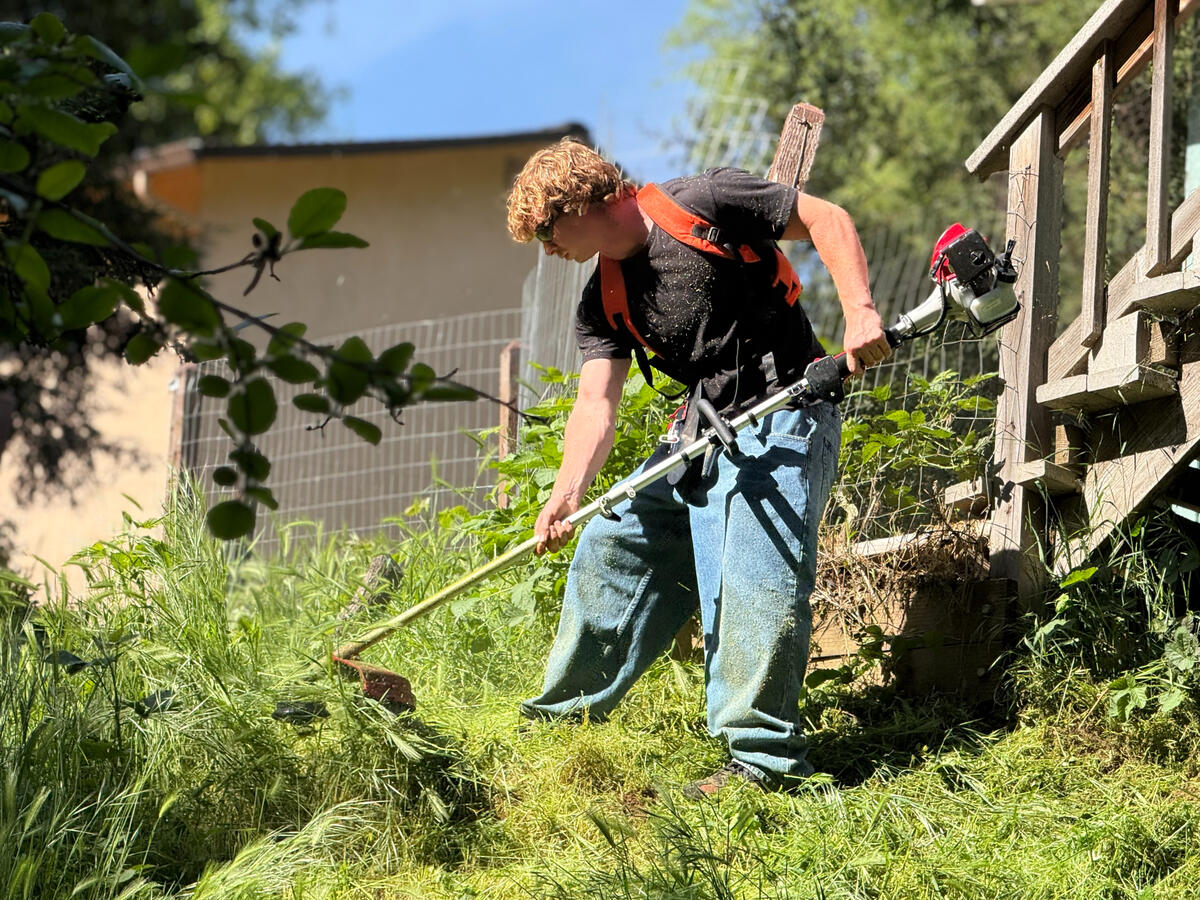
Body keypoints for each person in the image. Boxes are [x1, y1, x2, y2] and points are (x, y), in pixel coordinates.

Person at [505, 137, 890, 796]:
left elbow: (828, 218)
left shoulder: (704, 201)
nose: (547, 248)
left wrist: (860, 313)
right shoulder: (603, 299)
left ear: (581, 200)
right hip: (700, 429)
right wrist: (569, 493)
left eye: (547, 229)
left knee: (750, 570)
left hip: (787, 405)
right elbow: (595, 405)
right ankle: (564, 722)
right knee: (612, 539)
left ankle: (762, 764)